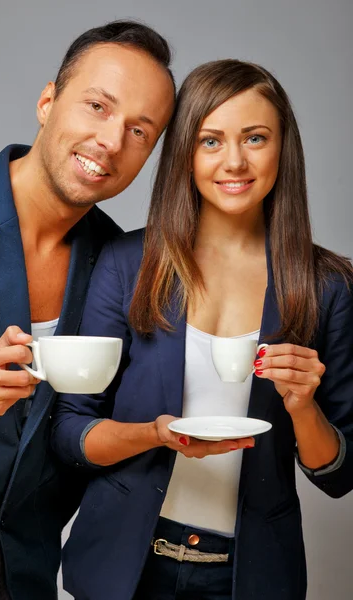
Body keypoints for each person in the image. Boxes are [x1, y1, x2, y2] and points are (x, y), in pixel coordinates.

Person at [52, 58, 353, 600]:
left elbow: (337, 475)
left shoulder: (326, 286)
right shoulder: (126, 264)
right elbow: (71, 432)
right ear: (185, 153)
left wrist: (304, 406)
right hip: (123, 568)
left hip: (249, 574)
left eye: (255, 138)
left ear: (283, 148)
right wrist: (154, 434)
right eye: (210, 141)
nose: (234, 161)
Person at [0, 20, 175, 600]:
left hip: (24, 572)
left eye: (139, 132)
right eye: (97, 106)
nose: (111, 141)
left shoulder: (120, 263)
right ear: (48, 101)